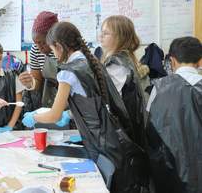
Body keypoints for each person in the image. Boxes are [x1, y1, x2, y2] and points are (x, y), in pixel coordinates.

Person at [22, 22, 148, 192]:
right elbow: (92, 101)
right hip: (109, 136)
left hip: (98, 141)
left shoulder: (67, 72)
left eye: (52, 49)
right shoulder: (91, 61)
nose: (53, 54)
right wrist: (70, 114)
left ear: (59, 46)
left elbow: (54, 116)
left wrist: (33, 117)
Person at [146, 36, 202, 193]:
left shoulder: (159, 87)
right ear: (200, 61)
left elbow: (150, 129)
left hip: (170, 170)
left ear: (172, 60)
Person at [99, 15, 147, 148]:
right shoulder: (123, 59)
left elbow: (108, 99)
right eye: (101, 32)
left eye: (106, 33)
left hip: (124, 131)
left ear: (120, 37)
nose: (101, 36)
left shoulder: (117, 64)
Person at [19, 11, 58, 108]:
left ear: (54, 37)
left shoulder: (68, 49)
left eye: (43, 43)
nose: (39, 47)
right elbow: (38, 81)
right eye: (36, 43)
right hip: (50, 99)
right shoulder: (36, 49)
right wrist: (30, 83)